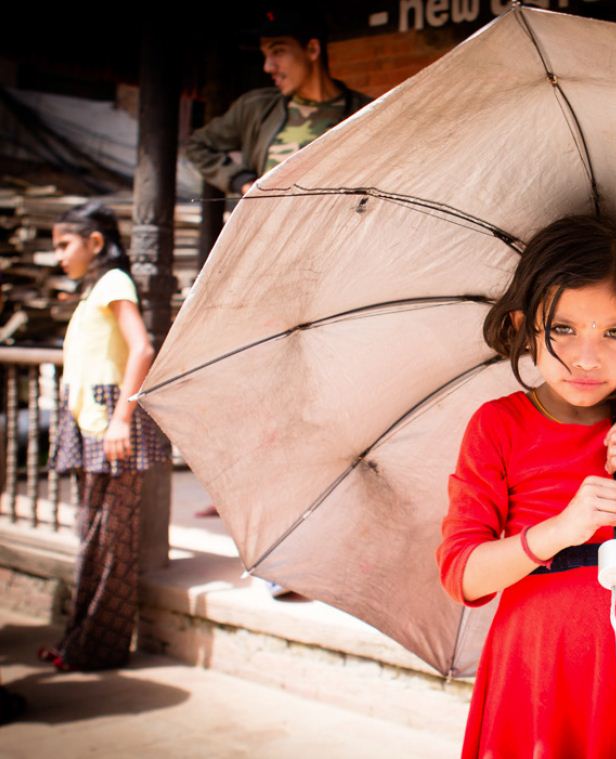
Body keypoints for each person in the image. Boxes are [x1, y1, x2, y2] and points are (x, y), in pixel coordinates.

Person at [437, 215, 616, 757]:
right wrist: (560, 531)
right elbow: (463, 576)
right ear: (527, 326)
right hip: (540, 677)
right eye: (563, 329)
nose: (588, 357)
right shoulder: (497, 425)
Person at [37, 201, 169, 671]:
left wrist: (120, 421)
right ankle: (78, 643)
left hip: (112, 431)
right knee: (93, 538)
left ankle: (95, 650)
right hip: (95, 428)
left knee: (111, 544)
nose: (58, 256)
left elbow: (143, 348)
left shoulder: (114, 283)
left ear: (95, 243)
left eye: (64, 244)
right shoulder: (96, 289)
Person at [184, 8, 371, 196]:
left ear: (312, 49)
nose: (267, 67)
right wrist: (241, 180)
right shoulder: (256, 107)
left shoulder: (368, 114)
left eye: (278, 51)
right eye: (265, 55)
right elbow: (197, 145)